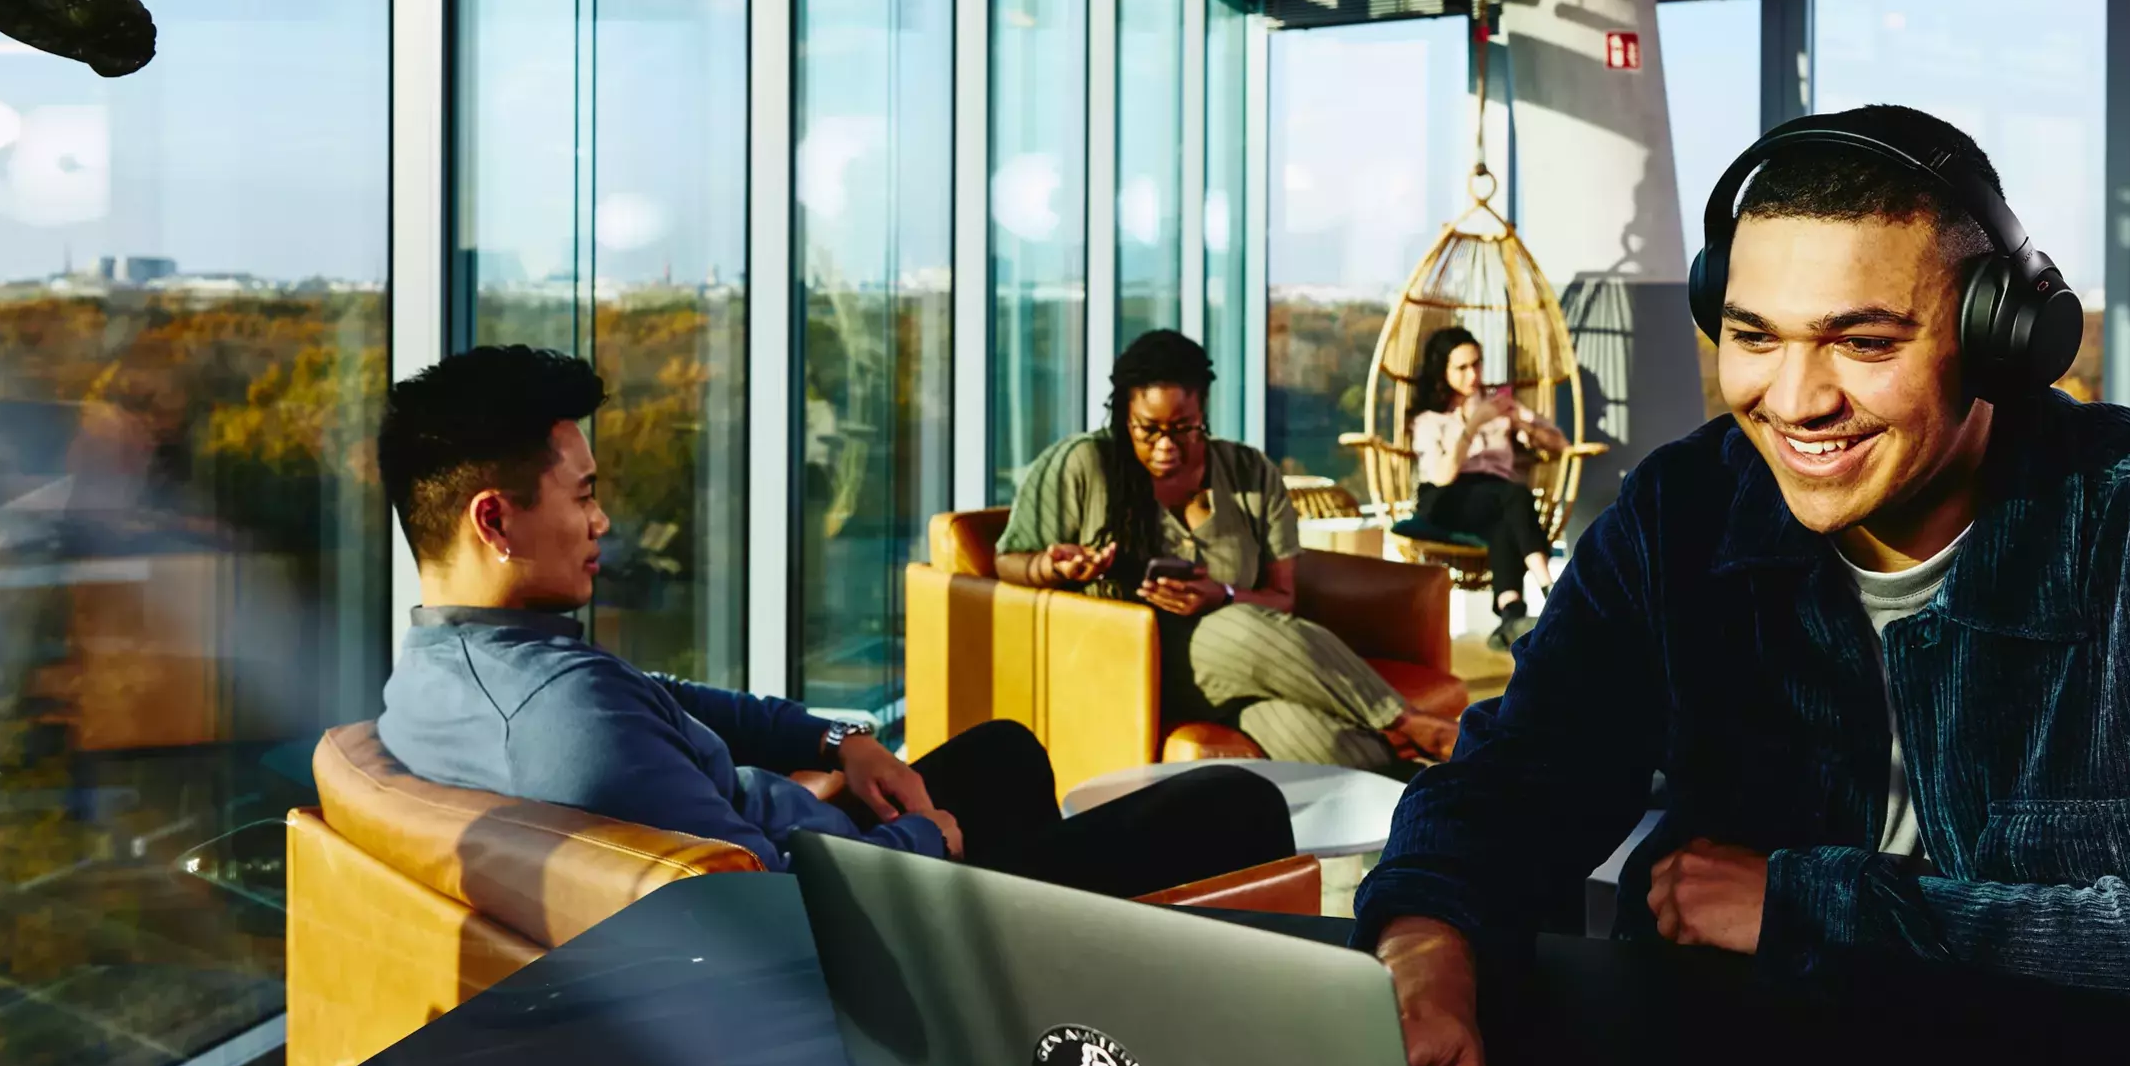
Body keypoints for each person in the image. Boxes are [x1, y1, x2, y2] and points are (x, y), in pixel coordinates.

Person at [1358, 105, 2130, 1066]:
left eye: (1864, 342)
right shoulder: (1684, 512)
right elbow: (1521, 781)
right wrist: (1425, 937)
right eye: (1752, 336)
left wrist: (1808, 908)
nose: (1794, 400)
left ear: (1999, 339)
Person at [373, 344, 1293, 897]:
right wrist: (925, 839)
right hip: (885, 926)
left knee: (1005, 752)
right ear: (494, 519)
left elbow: (674, 700)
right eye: (584, 496)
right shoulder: (566, 723)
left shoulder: (445, 671)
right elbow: (773, 908)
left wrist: (840, 737)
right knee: (1238, 802)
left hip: (846, 854)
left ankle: (1068, 940)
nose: (603, 520)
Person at [996, 329, 1459, 775]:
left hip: (1246, 665)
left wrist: (1224, 594)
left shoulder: (1248, 473)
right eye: (1147, 429)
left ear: (1204, 411)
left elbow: (1283, 599)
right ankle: (1414, 725)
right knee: (1238, 629)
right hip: (1136, 657)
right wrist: (1051, 567)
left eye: (1183, 428)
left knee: (1318, 739)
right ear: (1123, 415)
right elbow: (1007, 560)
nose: (1165, 445)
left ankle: (1432, 807)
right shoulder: (1081, 464)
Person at [1407, 325, 1566, 648]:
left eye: (1477, 364)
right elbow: (1442, 476)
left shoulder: (1499, 407)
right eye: (1462, 368)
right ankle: (1553, 592)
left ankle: (1511, 615)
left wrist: (1522, 423)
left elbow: (1559, 444)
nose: (1473, 375)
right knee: (1513, 495)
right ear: (1443, 371)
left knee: (1504, 519)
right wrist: (1474, 423)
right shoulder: (1429, 419)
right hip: (1445, 498)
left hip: (1496, 498)